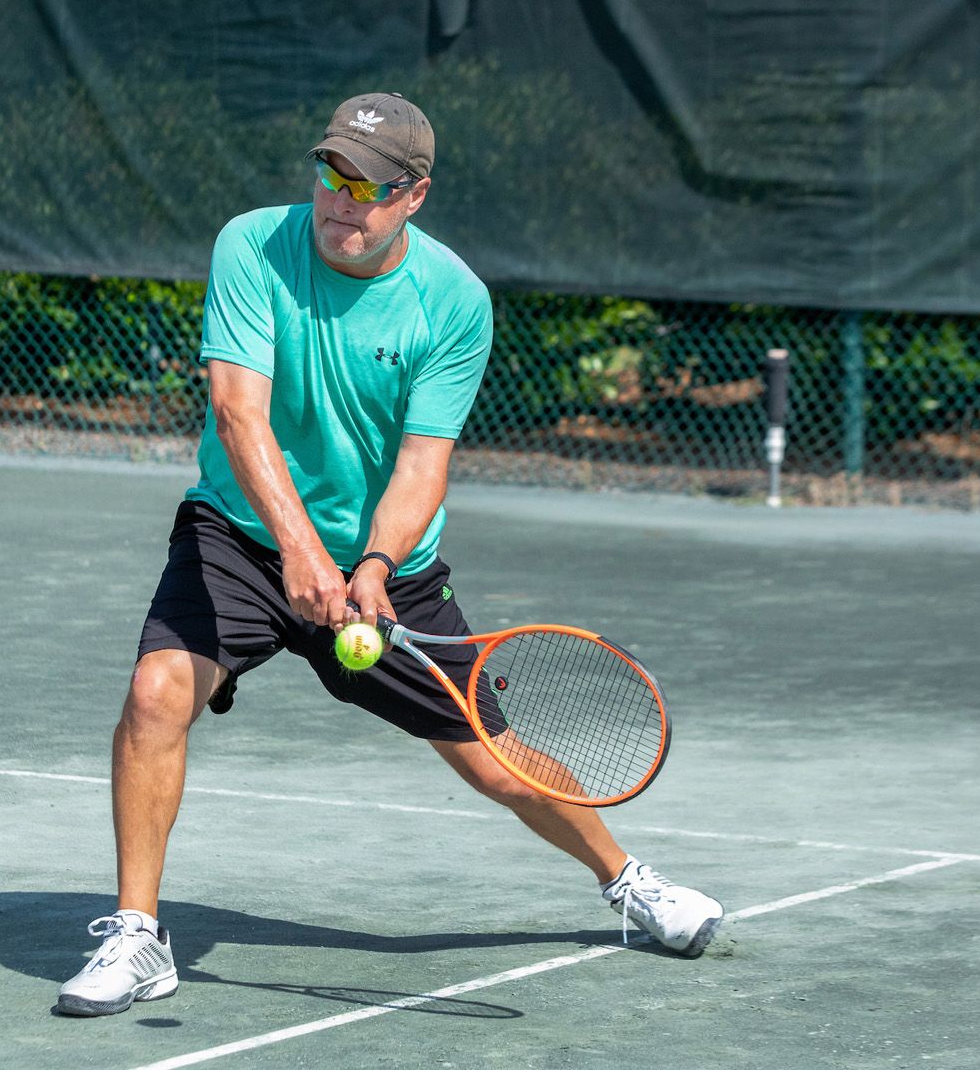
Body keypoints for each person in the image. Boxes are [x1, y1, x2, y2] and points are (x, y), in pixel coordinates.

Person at [56, 93, 723, 1017]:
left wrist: (370, 566)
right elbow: (239, 414)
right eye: (331, 173)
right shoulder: (253, 245)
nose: (343, 199)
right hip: (241, 536)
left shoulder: (453, 301)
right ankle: (138, 935)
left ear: (414, 196)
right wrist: (298, 550)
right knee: (157, 692)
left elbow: (422, 465)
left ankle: (628, 881)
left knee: (496, 765)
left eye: (369, 187)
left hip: (383, 569)